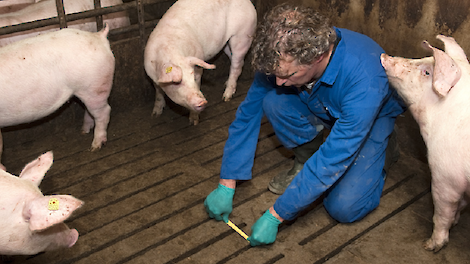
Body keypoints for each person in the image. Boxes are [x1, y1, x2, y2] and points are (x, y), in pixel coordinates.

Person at [204, 3, 405, 246]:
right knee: (273, 100)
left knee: (344, 207)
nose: (278, 81)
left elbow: (333, 157)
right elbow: (248, 113)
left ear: (317, 57)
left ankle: (384, 151)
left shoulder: (366, 80)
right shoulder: (282, 55)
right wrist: (227, 181)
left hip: (370, 119)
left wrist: (276, 215)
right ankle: (306, 159)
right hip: (320, 100)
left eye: (288, 75)